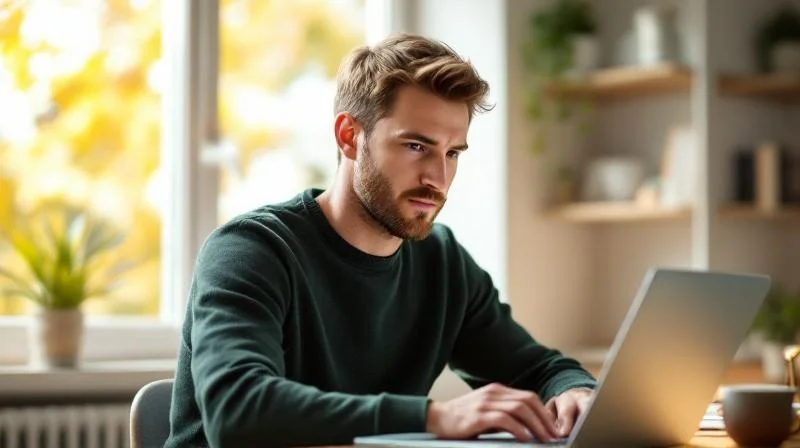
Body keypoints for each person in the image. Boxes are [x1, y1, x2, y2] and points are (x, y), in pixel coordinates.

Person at [165, 32, 596, 448]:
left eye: (452, 153)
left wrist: (576, 392)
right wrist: (434, 417)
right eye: (415, 146)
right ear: (349, 137)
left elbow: (539, 369)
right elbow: (237, 412)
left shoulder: (442, 264)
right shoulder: (251, 251)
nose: (438, 179)